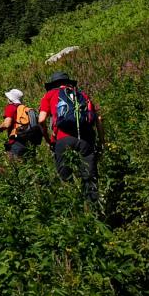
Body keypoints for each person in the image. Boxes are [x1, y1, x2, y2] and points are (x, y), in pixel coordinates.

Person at [37, 72, 102, 203]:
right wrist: (102, 141)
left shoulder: (49, 95)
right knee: (89, 177)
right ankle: (93, 208)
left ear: (53, 84)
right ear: (68, 83)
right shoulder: (82, 95)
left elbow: (41, 119)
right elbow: (98, 119)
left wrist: (48, 139)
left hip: (62, 139)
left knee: (66, 177)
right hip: (86, 139)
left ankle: (74, 207)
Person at [0, 88, 41, 157]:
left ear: (10, 99)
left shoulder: (11, 107)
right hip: (30, 142)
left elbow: (7, 124)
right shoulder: (25, 109)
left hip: (16, 142)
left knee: (15, 164)